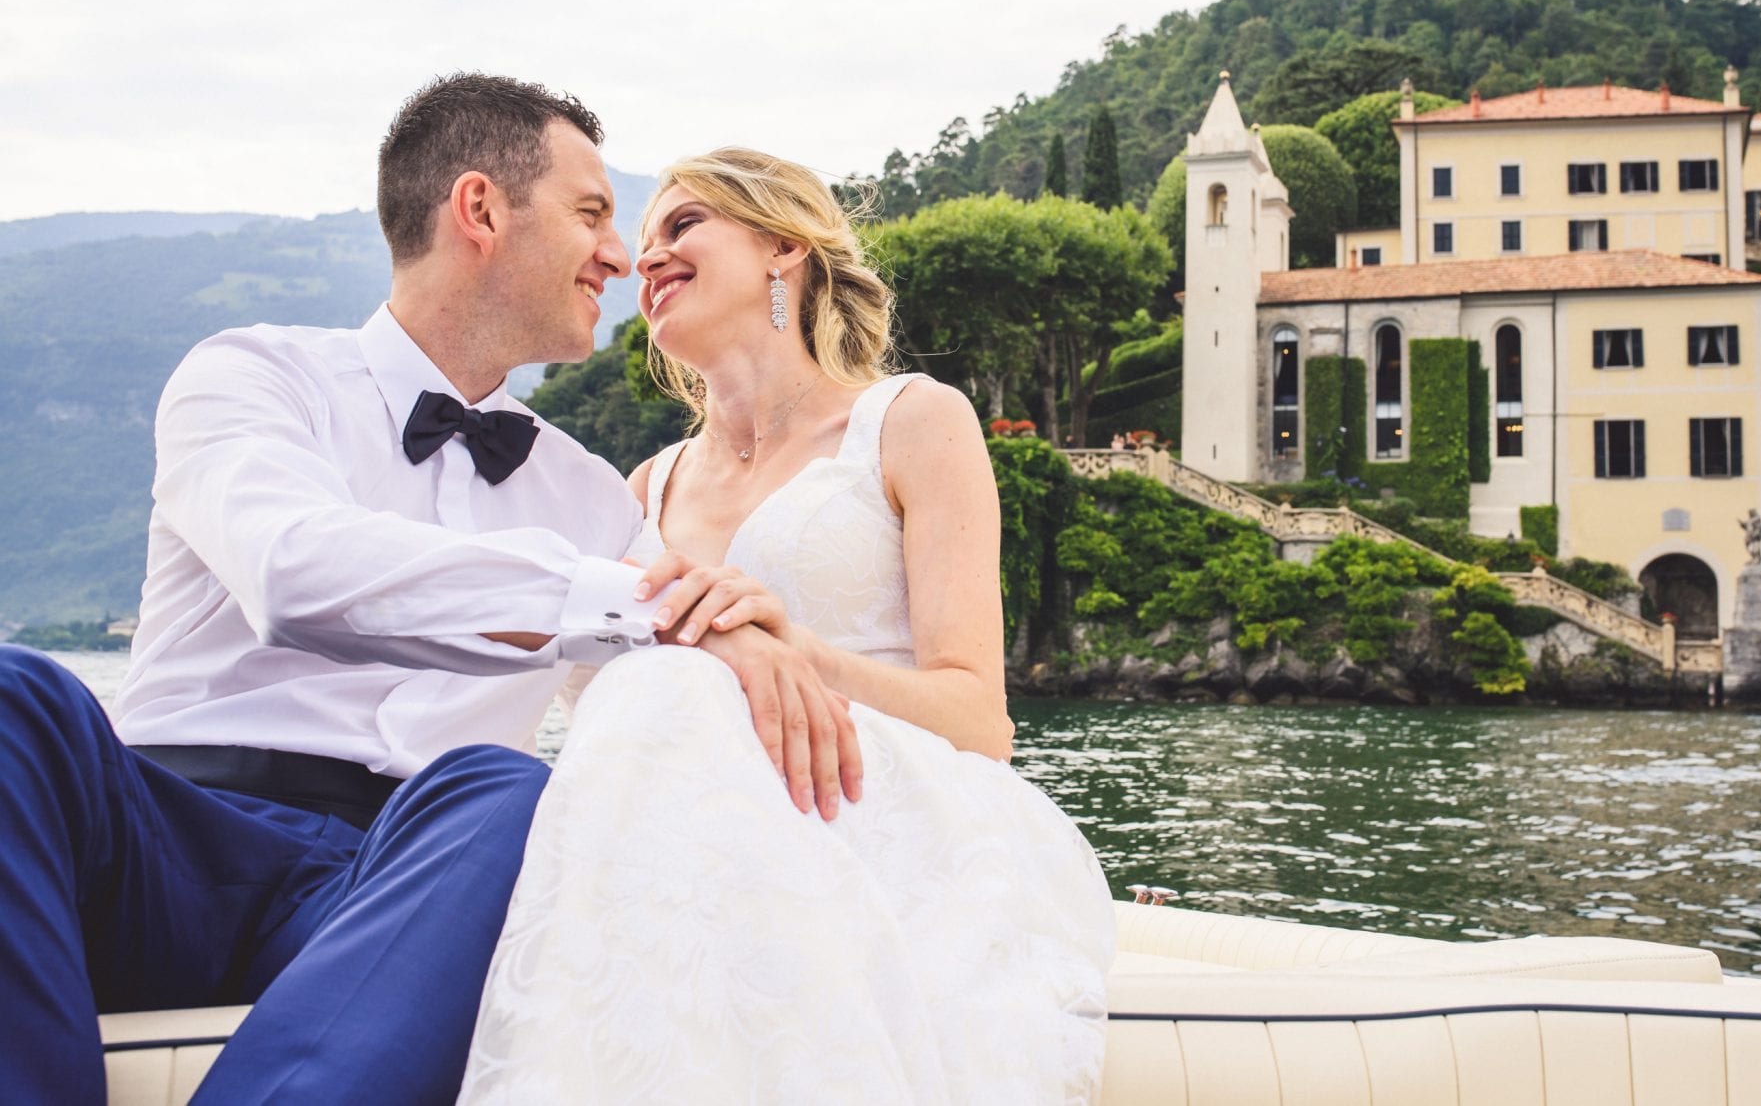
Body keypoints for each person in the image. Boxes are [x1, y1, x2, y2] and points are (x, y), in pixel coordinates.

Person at [0, 76, 856, 1105]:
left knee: (506, 792)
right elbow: (290, 567)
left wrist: (735, 632)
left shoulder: (588, 495)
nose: (621, 255)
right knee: (14, 694)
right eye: (592, 212)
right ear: (481, 209)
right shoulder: (251, 374)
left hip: (403, 883)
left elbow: (684, 631)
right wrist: (632, 602)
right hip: (164, 840)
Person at [459, 149, 1116, 1104]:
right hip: (671, 835)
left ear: (782, 246)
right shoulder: (644, 489)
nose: (647, 260)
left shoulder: (912, 421)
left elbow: (982, 723)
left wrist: (796, 654)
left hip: (872, 804)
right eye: (640, 248)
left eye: (681, 226)